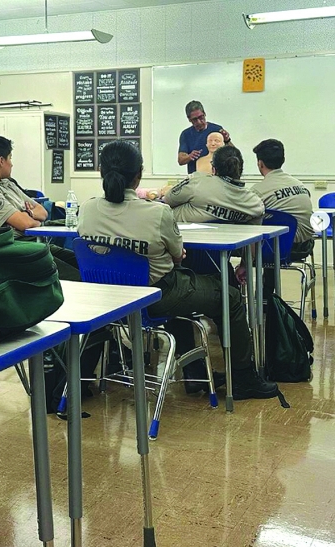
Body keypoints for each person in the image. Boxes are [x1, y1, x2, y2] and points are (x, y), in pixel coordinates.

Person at [77, 139, 278, 400]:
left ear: (102, 172)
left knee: (180, 302)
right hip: (155, 297)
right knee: (230, 297)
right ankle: (243, 378)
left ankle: (195, 373)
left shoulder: (87, 209)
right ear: (138, 175)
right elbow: (177, 256)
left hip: (108, 302)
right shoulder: (157, 214)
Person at [0, 134, 81, 281]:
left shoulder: (7, 184)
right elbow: (25, 224)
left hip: (33, 243)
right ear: (1, 161)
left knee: (83, 261)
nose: (12, 164)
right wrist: (28, 217)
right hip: (13, 250)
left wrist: (28, 213)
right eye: (10, 158)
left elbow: (42, 211)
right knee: (78, 276)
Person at [251, 139, 315, 292]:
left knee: (254, 239)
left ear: (260, 163)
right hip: (304, 246)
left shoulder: (257, 191)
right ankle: (268, 297)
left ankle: (252, 300)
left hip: (276, 250)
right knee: (272, 237)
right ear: (283, 160)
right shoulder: (300, 185)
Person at [164, 145, 264, 224]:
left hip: (187, 245)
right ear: (240, 169)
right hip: (229, 248)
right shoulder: (254, 203)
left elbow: (167, 199)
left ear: (214, 169)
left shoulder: (197, 182)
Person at [178, 101, 233, 174]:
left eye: (201, 117)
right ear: (189, 119)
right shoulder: (186, 134)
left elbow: (234, 154)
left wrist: (227, 140)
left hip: (218, 176)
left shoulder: (217, 129)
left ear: (205, 114)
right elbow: (181, 160)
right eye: (195, 119)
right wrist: (189, 156)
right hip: (196, 178)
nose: (199, 122)